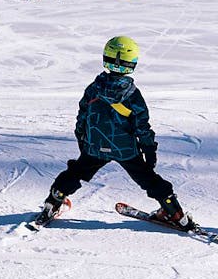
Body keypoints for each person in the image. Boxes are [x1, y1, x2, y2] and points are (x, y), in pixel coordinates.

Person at [36, 36, 194, 229]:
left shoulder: (93, 89)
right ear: (132, 62)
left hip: (95, 147)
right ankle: (174, 213)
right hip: (125, 150)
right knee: (148, 179)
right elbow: (142, 126)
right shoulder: (132, 95)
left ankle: (53, 202)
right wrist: (149, 149)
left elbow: (82, 118)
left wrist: (83, 141)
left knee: (75, 172)